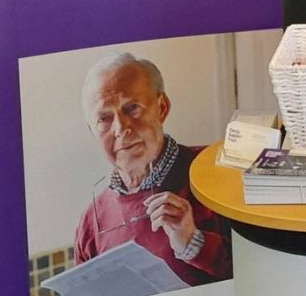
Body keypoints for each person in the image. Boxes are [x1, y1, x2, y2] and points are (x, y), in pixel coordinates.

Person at [75, 54, 232, 286]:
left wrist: (192, 242)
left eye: (132, 108)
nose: (121, 129)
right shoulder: (91, 221)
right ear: (92, 131)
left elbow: (266, 272)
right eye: (104, 119)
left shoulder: (217, 169)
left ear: (162, 107)